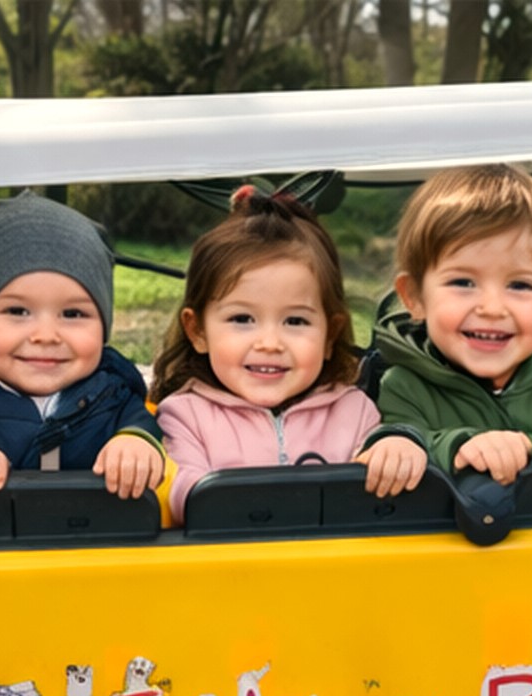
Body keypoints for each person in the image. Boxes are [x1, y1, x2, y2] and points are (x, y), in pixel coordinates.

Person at [150, 186, 427, 525]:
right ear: (198, 332)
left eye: (295, 321)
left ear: (330, 335)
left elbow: (378, 496)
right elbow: (184, 496)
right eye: (242, 319)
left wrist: (397, 447)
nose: (270, 343)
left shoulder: (355, 411)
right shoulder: (185, 415)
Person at [374, 164, 532, 485]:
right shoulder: (405, 384)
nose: (492, 309)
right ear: (415, 297)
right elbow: (403, 446)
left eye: (520, 285)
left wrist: (524, 447)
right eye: (463, 282)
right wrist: (453, 445)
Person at [0, 193, 164, 500]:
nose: (46, 336)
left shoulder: (114, 394)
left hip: (93, 528)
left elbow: (145, 425)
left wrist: (136, 443)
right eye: (17, 311)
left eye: (73, 314)